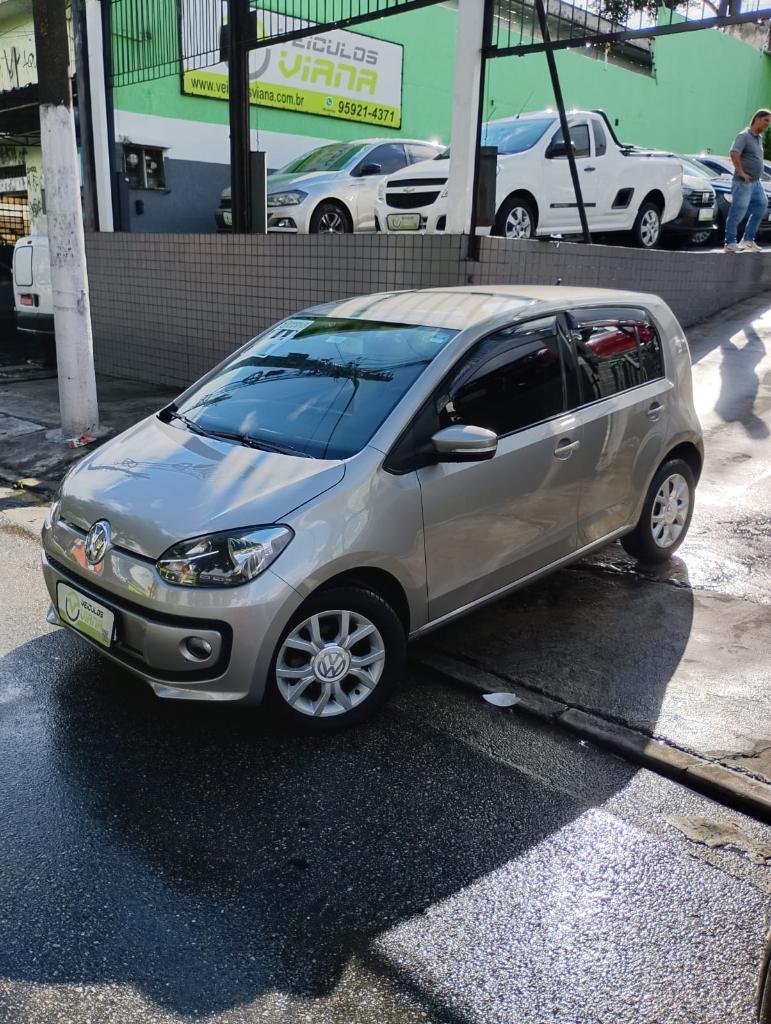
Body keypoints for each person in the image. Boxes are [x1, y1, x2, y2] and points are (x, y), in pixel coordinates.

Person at [724, 108, 771, 253]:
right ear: (757, 118)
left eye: (769, 122)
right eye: (766, 120)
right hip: (742, 182)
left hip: (756, 182)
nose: (767, 124)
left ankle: (748, 240)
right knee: (737, 211)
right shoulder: (744, 136)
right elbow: (734, 153)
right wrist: (741, 172)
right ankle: (730, 243)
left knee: (761, 206)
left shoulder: (758, 138)